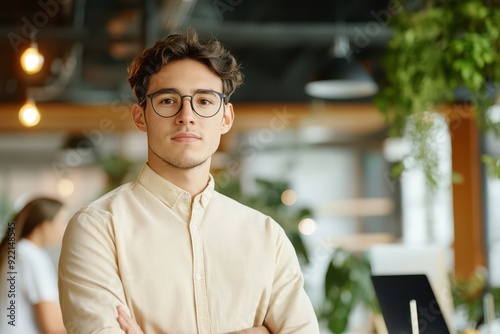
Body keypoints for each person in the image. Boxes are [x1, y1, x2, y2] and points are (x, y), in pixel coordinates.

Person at [58, 28, 320, 334]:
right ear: (140, 116)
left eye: (205, 101)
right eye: (168, 101)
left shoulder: (266, 237)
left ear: (226, 118)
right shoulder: (97, 229)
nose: (187, 116)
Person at [0, 197, 67, 334]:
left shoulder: (17, 251)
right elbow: (52, 326)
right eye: (61, 222)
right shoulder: (31, 257)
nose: (64, 228)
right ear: (44, 225)